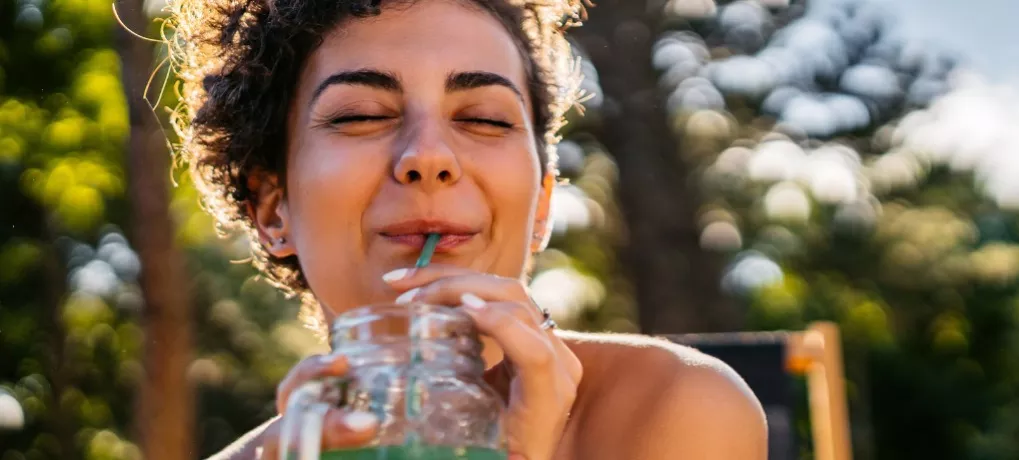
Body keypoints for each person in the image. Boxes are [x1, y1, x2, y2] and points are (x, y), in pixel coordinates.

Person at [166, 0, 767, 458]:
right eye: (361, 115)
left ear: (539, 205)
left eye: (482, 118)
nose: (429, 155)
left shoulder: (672, 409)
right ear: (273, 210)